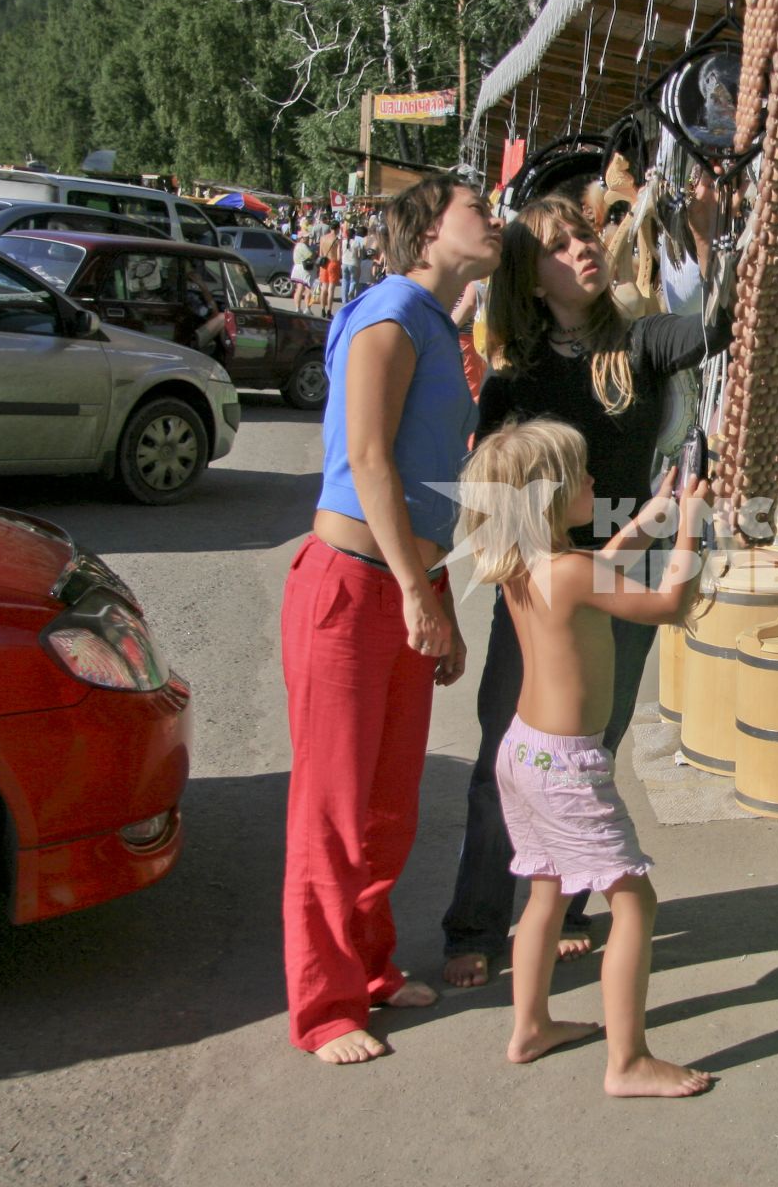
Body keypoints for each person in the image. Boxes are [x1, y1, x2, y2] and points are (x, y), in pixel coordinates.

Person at [439, 193, 723, 988]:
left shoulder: (637, 341)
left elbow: (716, 325)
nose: (582, 249)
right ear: (532, 279)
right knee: (510, 748)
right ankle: (476, 922)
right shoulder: (515, 378)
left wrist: (703, 234)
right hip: (547, 587)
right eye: (559, 246)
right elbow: (489, 489)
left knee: (590, 749)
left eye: (585, 235)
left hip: (623, 572)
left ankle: (558, 908)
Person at [280, 175, 499, 1064]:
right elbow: (367, 457)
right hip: (350, 586)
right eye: (476, 209)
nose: (492, 220)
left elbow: (421, 479)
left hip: (403, 582)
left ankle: (367, 968)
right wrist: (417, 588)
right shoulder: (391, 309)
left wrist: (431, 592)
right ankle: (324, 1007)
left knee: (387, 804)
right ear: (429, 233)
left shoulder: (441, 325)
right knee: (333, 809)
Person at [457, 418, 715, 1097]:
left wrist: (652, 518)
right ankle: (628, 1062)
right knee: (634, 904)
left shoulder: (526, 563)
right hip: (569, 768)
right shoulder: (569, 572)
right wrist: (690, 525)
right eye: (583, 476)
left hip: (524, 754)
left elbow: (603, 566)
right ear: (549, 499)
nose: (596, 481)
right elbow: (669, 603)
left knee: (545, 889)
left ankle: (530, 1027)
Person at [450, 276, 489, 403]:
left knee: (471, 391)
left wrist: (444, 327)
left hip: (463, 336)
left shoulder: (473, 271)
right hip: (458, 336)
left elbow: (469, 304)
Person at [317, 218, 343, 318]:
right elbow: (338, 257)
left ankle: (322, 309)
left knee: (324, 288)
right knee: (331, 289)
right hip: (333, 263)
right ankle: (329, 310)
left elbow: (321, 253)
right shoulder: (337, 240)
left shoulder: (323, 238)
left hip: (324, 263)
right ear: (337, 228)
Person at [290, 232, 314, 312]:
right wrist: (315, 253)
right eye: (306, 237)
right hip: (304, 269)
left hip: (297, 268)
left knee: (299, 288)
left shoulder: (297, 245)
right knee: (308, 289)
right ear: (301, 238)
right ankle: (307, 308)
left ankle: (297, 308)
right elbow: (310, 255)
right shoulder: (302, 246)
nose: (307, 239)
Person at [341, 228, 366, 304]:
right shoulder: (356, 243)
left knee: (345, 280)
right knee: (354, 280)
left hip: (344, 262)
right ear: (354, 235)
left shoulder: (343, 242)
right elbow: (360, 255)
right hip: (353, 263)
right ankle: (351, 292)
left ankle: (344, 299)